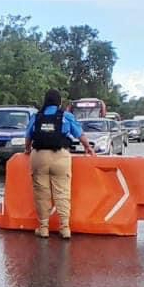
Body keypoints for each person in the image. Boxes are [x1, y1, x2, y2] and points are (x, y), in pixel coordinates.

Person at [24, 89, 92, 239]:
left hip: (39, 156)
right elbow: (80, 134)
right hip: (61, 156)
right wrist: (88, 147)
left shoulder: (37, 116)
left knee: (42, 194)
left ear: (45, 101)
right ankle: (65, 228)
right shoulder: (66, 116)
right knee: (62, 193)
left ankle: (43, 228)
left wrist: (27, 149)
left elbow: (28, 136)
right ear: (59, 102)